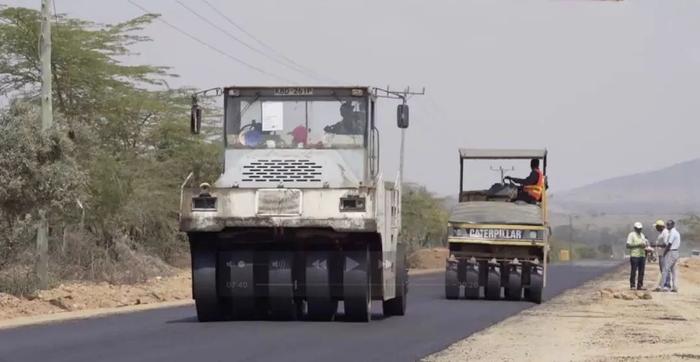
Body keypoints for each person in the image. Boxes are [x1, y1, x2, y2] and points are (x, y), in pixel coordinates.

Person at [656, 220, 681, 292]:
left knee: (665, 269)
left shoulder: (673, 232)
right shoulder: (675, 232)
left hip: (671, 252)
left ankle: (662, 286)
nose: (667, 226)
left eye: (669, 225)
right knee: (673, 270)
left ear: (673, 225)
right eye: (667, 225)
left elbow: (669, 244)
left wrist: (665, 253)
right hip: (675, 252)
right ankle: (674, 287)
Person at [626, 222, 648, 290]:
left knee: (641, 271)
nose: (639, 230)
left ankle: (640, 285)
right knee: (634, 271)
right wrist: (638, 245)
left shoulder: (642, 235)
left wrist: (645, 246)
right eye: (638, 229)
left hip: (642, 255)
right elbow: (628, 245)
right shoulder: (631, 235)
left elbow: (644, 244)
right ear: (635, 228)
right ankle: (632, 285)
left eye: (640, 229)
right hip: (634, 255)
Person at [653, 219, 671, 289]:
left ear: (660, 226)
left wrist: (655, 245)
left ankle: (667, 284)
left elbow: (666, 244)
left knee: (665, 269)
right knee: (662, 269)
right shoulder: (662, 233)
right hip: (661, 254)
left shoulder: (665, 232)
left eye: (656, 227)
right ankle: (664, 283)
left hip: (664, 254)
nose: (656, 228)